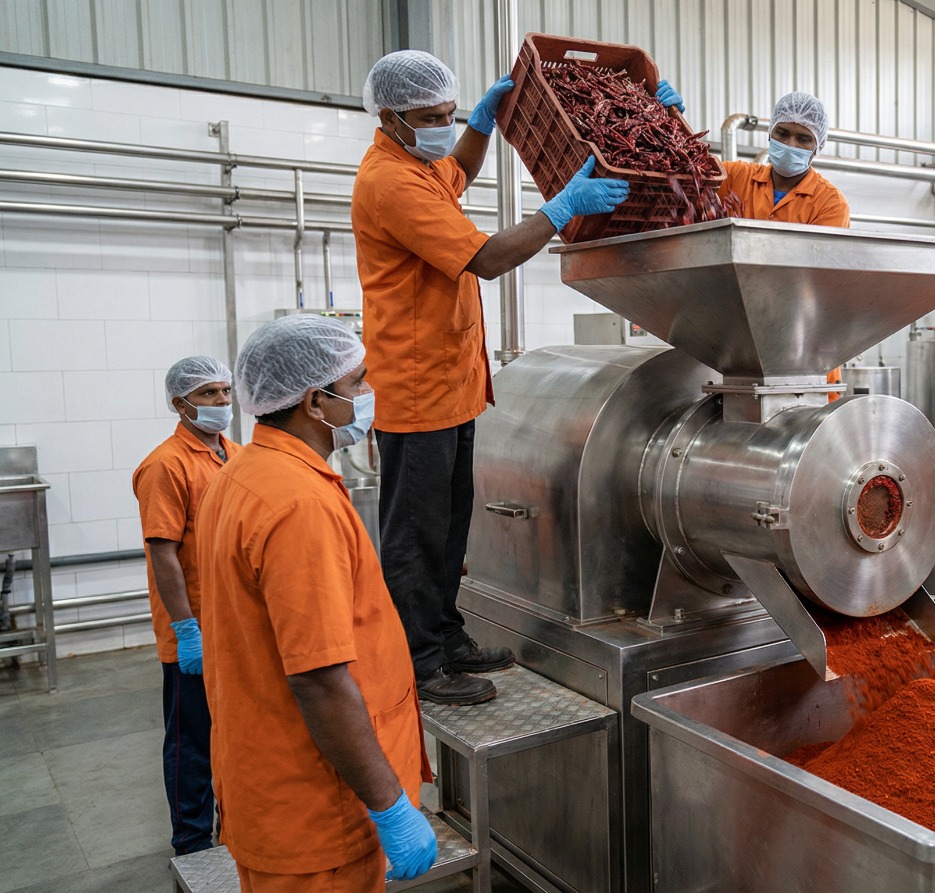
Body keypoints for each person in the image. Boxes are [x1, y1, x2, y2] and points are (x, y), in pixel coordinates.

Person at [353, 50, 627, 704]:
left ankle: (447, 637)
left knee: (451, 526)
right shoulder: (391, 183)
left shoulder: (419, 165)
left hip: (450, 385)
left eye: (450, 114)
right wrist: (560, 209)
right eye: (431, 118)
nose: (443, 127)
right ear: (388, 118)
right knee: (415, 536)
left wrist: (479, 127)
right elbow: (488, 258)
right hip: (415, 390)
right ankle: (420, 664)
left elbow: (458, 170)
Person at [197, 315, 436, 890]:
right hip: (320, 810)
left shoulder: (242, 473)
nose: (369, 394)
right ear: (315, 402)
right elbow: (320, 678)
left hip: (269, 780)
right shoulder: (299, 505)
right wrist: (389, 805)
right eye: (358, 383)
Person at [131, 356, 239, 855]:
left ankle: (233, 829)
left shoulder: (234, 455)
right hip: (193, 629)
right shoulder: (165, 465)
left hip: (233, 623)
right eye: (208, 394)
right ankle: (192, 842)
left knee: (234, 735)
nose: (222, 401)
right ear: (180, 403)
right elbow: (163, 552)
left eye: (225, 391)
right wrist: (186, 630)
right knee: (192, 741)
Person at [656, 83, 850, 227]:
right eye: (782, 134)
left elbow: (820, 265)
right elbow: (685, 176)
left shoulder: (829, 203)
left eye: (803, 139)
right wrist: (672, 123)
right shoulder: (733, 176)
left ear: (818, 146)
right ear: (770, 134)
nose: (790, 144)